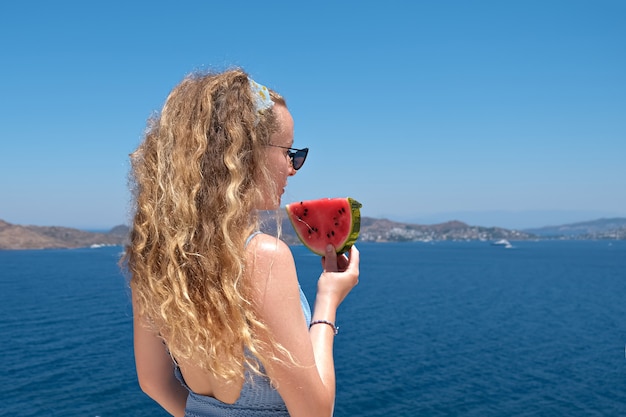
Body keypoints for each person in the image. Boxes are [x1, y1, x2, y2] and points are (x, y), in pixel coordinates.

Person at [124, 68, 360, 417]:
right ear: (245, 154)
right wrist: (328, 299)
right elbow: (315, 412)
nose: (293, 169)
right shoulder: (261, 256)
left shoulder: (154, 257)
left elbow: (154, 383)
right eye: (289, 152)